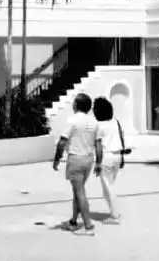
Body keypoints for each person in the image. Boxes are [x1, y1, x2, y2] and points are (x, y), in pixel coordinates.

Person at [53, 93, 102, 235]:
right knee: (77, 191)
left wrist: (57, 159)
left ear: (76, 105)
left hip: (75, 159)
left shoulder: (73, 120)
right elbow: (98, 144)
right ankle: (73, 221)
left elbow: (62, 142)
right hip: (88, 160)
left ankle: (88, 226)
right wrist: (99, 163)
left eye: (74, 103)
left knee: (80, 192)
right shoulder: (94, 122)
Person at [93, 96, 127, 224]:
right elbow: (121, 139)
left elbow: (98, 146)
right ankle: (114, 211)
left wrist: (97, 163)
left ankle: (114, 215)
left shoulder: (98, 126)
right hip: (117, 155)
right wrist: (122, 157)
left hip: (106, 157)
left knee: (107, 188)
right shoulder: (116, 122)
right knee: (110, 185)